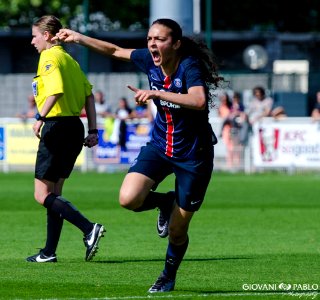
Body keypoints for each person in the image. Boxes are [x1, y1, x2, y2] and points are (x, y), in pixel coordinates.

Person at [56, 18, 223, 292]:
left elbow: (198, 100)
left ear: (176, 44)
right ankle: (165, 202)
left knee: (177, 231)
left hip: (194, 155)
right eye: (149, 39)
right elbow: (113, 51)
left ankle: (167, 276)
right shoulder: (149, 60)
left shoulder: (188, 66)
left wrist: (157, 92)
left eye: (160, 39)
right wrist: (78, 37)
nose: (152, 44)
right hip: (160, 146)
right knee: (128, 198)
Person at [27, 15, 105, 263]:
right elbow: (89, 96)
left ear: (47, 36)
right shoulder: (70, 60)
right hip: (75, 127)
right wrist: (93, 130)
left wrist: (40, 116)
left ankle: (88, 228)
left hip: (57, 126)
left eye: (35, 36)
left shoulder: (49, 56)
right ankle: (49, 252)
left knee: (42, 195)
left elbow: (56, 89)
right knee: (55, 194)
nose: (32, 41)